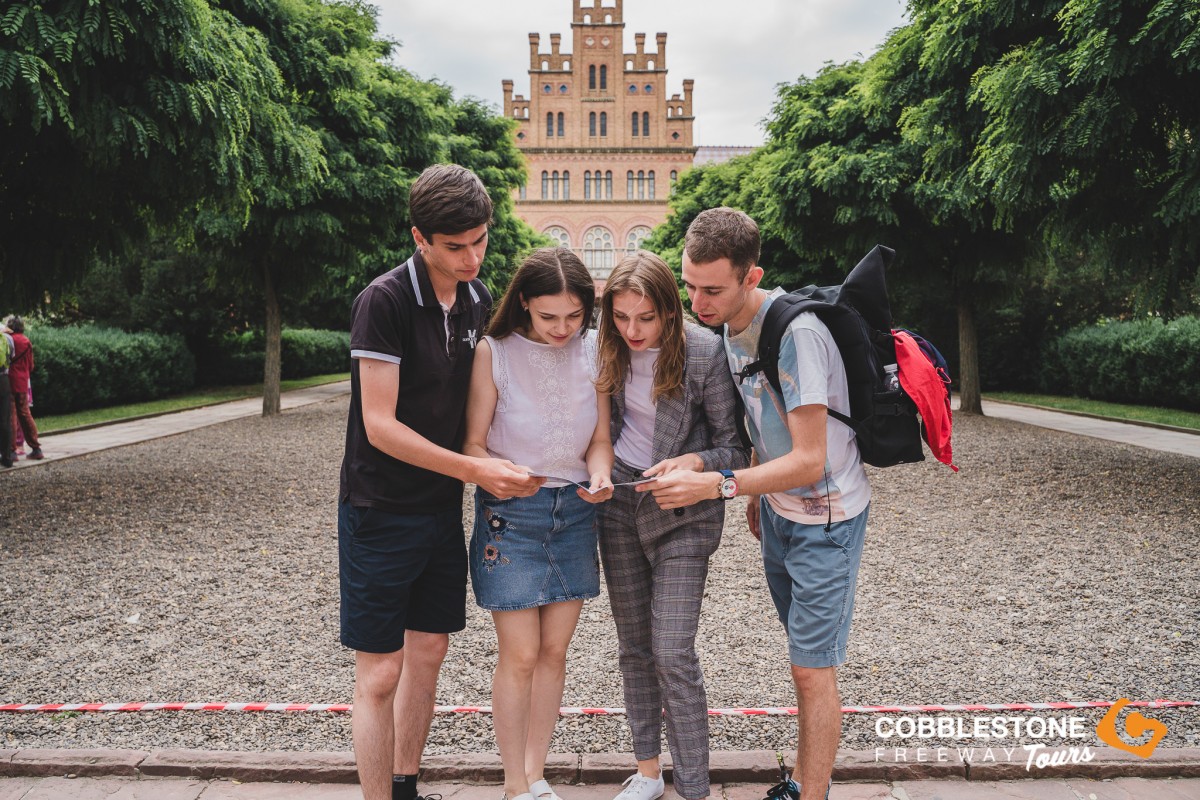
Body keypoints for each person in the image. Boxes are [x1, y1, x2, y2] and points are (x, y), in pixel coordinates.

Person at [641, 208, 871, 800]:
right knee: (802, 657)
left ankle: (809, 792)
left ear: (752, 276)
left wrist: (721, 486)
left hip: (826, 515)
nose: (697, 302)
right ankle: (800, 779)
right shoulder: (724, 326)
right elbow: (753, 426)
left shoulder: (798, 336)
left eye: (712, 289)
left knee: (811, 668)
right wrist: (728, 475)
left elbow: (811, 459)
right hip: (778, 513)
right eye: (690, 285)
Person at [339, 164, 542, 800]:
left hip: (437, 510)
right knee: (379, 673)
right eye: (455, 246)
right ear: (419, 237)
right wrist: (474, 469)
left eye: (480, 240)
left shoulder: (478, 300)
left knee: (429, 653)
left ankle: (406, 788)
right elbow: (379, 425)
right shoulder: (385, 300)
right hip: (378, 507)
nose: (473, 257)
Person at [593, 252, 748, 800]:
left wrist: (695, 463)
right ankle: (649, 773)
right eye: (621, 317)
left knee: (672, 649)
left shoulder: (704, 352)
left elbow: (738, 449)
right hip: (620, 506)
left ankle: (696, 786)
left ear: (669, 311)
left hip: (686, 515)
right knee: (634, 647)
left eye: (645, 318)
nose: (632, 330)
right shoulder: (602, 348)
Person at [462, 247, 613, 800]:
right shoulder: (493, 352)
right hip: (512, 515)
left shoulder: (596, 350)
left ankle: (536, 771)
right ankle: (511, 783)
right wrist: (499, 474)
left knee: (554, 652)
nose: (562, 328)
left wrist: (599, 474)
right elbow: (473, 444)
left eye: (574, 316)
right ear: (524, 303)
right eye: (549, 317)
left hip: (575, 511)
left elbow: (600, 439)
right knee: (521, 653)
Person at [5, 316, 41, 460]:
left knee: (11, 415)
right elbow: (31, 365)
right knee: (25, 414)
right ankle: (36, 448)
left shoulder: (8, 339)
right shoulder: (26, 341)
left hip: (10, 380)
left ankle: (12, 451)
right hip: (23, 382)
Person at [0, 323, 14, 468]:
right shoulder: (7, 338)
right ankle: (7, 457)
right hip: (3, 380)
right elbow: (12, 357)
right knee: (5, 419)